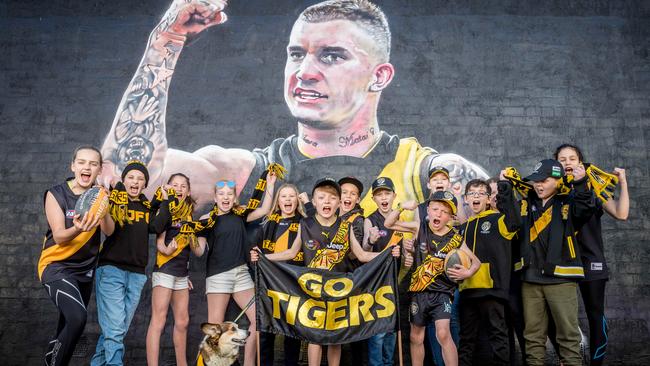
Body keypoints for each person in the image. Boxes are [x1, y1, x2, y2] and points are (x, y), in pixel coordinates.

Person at [100, 0, 488, 214]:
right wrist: (165, 42)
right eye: (296, 54)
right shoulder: (246, 173)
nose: (305, 72)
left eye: (332, 57)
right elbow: (124, 177)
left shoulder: (428, 172)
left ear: (380, 76)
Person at [251, 178, 401, 366]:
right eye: (321, 198)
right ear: (314, 202)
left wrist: (388, 252)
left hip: (339, 290)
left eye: (332, 198)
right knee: (315, 337)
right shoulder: (305, 224)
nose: (327, 202)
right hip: (312, 290)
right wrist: (264, 257)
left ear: (338, 203)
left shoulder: (346, 226)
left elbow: (361, 255)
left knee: (335, 337)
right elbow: (291, 252)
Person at [497, 159, 595, 366]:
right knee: (532, 337)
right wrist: (505, 188)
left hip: (562, 278)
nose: (538, 185)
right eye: (536, 180)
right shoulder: (525, 202)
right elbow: (511, 221)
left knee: (568, 337)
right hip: (530, 279)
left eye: (544, 180)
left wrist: (581, 183)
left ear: (557, 180)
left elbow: (586, 209)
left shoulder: (569, 200)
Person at [385, 191, 481, 366]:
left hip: (442, 292)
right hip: (419, 292)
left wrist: (467, 273)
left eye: (444, 212)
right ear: (427, 209)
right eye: (435, 209)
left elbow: (476, 262)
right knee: (416, 336)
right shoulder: (419, 227)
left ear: (451, 217)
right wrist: (401, 207)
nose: (438, 214)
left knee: (443, 333)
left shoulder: (455, 238)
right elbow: (389, 223)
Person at [39, 145, 115, 366]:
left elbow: (109, 231)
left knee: (67, 325)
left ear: (99, 170)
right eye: (81, 162)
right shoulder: (56, 194)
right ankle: (53, 362)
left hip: (85, 269)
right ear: (73, 166)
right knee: (77, 318)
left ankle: (53, 358)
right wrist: (78, 228)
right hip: (56, 266)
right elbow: (61, 236)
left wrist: (104, 207)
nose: (87, 167)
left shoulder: (99, 196)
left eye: (93, 163)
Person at [554, 143, 629, 366]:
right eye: (562, 159)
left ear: (580, 162)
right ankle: (568, 359)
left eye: (572, 158)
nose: (567, 162)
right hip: (561, 261)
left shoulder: (593, 185)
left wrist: (623, 182)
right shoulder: (551, 186)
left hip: (590, 260)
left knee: (595, 315)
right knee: (554, 315)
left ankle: (596, 364)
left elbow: (621, 213)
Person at [197, 167, 278, 366]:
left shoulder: (240, 214)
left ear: (234, 198)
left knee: (259, 321)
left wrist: (271, 184)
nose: (225, 197)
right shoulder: (206, 220)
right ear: (215, 198)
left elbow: (264, 209)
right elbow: (199, 251)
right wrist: (190, 234)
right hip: (218, 276)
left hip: (241, 274)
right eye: (221, 194)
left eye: (229, 194)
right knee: (214, 331)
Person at [91, 160, 156, 366]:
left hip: (137, 275)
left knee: (115, 330)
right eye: (131, 177)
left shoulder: (147, 207)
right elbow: (105, 227)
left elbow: (159, 224)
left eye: (140, 179)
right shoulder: (112, 200)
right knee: (115, 330)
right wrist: (104, 197)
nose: (135, 181)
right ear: (124, 180)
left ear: (145, 184)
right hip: (111, 270)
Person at [145, 173, 204, 366]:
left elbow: (196, 251)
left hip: (181, 275)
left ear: (188, 191)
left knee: (183, 321)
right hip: (164, 270)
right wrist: (168, 249)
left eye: (183, 186)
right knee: (159, 321)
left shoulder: (189, 214)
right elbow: (160, 245)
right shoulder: (167, 209)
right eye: (175, 185)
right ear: (169, 188)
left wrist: (194, 234)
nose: (179, 189)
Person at [456, 179, 516, 366]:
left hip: (492, 289)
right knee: (466, 339)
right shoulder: (462, 228)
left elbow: (515, 220)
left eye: (481, 193)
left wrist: (506, 188)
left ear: (489, 199)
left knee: (498, 335)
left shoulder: (499, 220)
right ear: (466, 199)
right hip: (467, 290)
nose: (476, 196)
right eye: (472, 193)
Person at [255, 183, 305, 366]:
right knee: (267, 332)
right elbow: (257, 253)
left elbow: (293, 253)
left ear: (297, 200)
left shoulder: (303, 223)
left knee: (292, 333)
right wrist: (256, 256)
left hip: (293, 284)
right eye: (284, 196)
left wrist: (264, 257)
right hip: (269, 283)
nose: (288, 200)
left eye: (292, 196)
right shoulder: (267, 224)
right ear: (278, 201)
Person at [364, 177, 406, 366]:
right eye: (379, 194)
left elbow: (407, 260)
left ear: (394, 196)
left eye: (387, 193)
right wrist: (371, 240)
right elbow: (364, 250)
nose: (383, 197)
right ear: (374, 198)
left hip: (395, 283)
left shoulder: (401, 221)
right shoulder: (369, 220)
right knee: (378, 332)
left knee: (390, 331)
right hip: (376, 284)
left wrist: (407, 253)